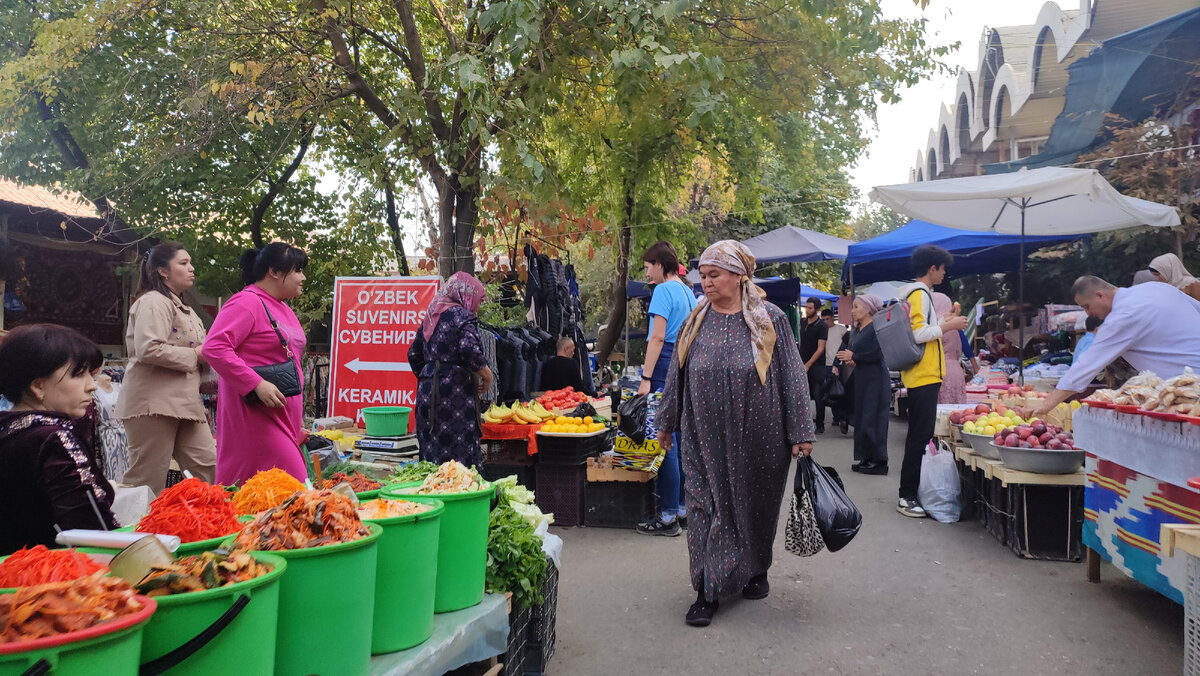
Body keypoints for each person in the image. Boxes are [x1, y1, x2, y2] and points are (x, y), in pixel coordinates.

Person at [654, 240, 815, 627]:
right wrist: (666, 420)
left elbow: (792, 375)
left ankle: (756, 568)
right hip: (701, 433)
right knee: (703, 507)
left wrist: (801, 430)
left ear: (739, 277)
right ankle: (706, 589)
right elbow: (678, 372)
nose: (706, 283)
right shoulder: (696, 319)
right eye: (703, 276)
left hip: (760, 434)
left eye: (714, 275)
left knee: (754, 506)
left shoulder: (769, 319)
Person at [0, 324, 118, 554]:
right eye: (78, 374)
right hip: (53, 579)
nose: (92, 386)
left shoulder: (9, 429)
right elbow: (93, 529)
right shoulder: (54, 438)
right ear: (38, 386)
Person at [202, 242, 309, 485]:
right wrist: (256, 384)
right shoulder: (246, 302)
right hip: (255, 416)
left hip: (284, 415)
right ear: (273, 271)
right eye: (297, 270)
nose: (302, 277)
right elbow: (214, 347)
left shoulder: (283, 307)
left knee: (274, 498)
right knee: (293, 487)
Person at [116, 242, 216, 494]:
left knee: (209, 468)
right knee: (147, 481)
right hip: (153, 404)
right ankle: (137, 533)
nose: (191, 268)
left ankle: (209, 526)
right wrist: (195, 355)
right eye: (183, 263)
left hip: (186, 403)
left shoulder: (186, 309)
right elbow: (148, 348)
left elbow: (201, 355)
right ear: (162, 271)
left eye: (190, 262)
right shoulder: (153, 301)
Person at [1029, 276, 1200, 417]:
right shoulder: (1156, 288)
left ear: (1100, 295)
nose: (1088, 314)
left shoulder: (1122, 316)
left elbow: (1087, 364)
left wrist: (1046, 405)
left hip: (1188, 390)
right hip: (1184, 387)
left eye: (1087, 307)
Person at [896, 245, 968, 518]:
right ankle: (907, 496)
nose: (944, 273)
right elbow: (918, 334)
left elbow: (923, 327)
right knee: (919, 436)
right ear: (932, 268)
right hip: (923, 374)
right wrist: (949, 326)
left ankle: (910, 493)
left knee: (920, 435)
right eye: (942, 268)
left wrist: (942, 320)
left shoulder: (917, 294)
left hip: (923, 373)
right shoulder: (920, 293)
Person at [635, 241, 698, 536]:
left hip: (663, 365)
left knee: (665, 437)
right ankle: (684, 507)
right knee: (683, 437)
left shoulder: (662, 291)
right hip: (686, 362)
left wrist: (645, 377)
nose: (647, 272)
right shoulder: (688, 291)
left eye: (648, 266)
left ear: (660, 264)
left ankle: (668, 515)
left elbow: (657, 338)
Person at [408, 272, 494, 467]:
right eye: (478, 301)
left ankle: (431, 494)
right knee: (459, 459)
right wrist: (487, 376)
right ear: (467, 295)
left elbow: (413, 354)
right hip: (455, 396)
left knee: (431, 455)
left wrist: (428, 377)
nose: (477, 306)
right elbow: (468, 349)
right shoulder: (462, 316)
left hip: (427, 395)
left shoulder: (431, 317)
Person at [837, 295, 889, 475]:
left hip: (875, 378)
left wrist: (854, 357)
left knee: (874, 417)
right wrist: (854, 361)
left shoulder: (877, 327)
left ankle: (879, 460)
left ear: (867, 308)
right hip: (862, 377)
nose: (852, 311)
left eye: (856, 306)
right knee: (863, 417)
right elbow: (859, 354)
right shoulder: (858, 330)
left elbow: (877, 354)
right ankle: (865, 456)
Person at [799, 297, 828, 433]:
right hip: (802, 363)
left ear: (817, 310)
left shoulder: (822, 326)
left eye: (810, 308)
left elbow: (821, 348)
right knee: (803, 394)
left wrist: (809, 364)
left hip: (817, 365)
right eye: (806, 307)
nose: (807, 309)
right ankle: (804, 423)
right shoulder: (803, 322)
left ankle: (820, 424)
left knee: (818, 395)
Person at [933, 292, 969, 405]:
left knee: (940, 415)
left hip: (939, 372)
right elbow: (960, 349)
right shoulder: (954, 326)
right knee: (956, 414)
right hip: (956, 372)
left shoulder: (936, 328)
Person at [822, 308, 850, 434]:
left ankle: (843, 415)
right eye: (823, 320)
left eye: (827, 319)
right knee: (831, 391)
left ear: (832, 317)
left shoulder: (841, 330)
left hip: (840, 364)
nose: (825, 322)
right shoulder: (822, 331)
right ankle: (836, 416)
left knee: (840, 390)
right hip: (827, 364)